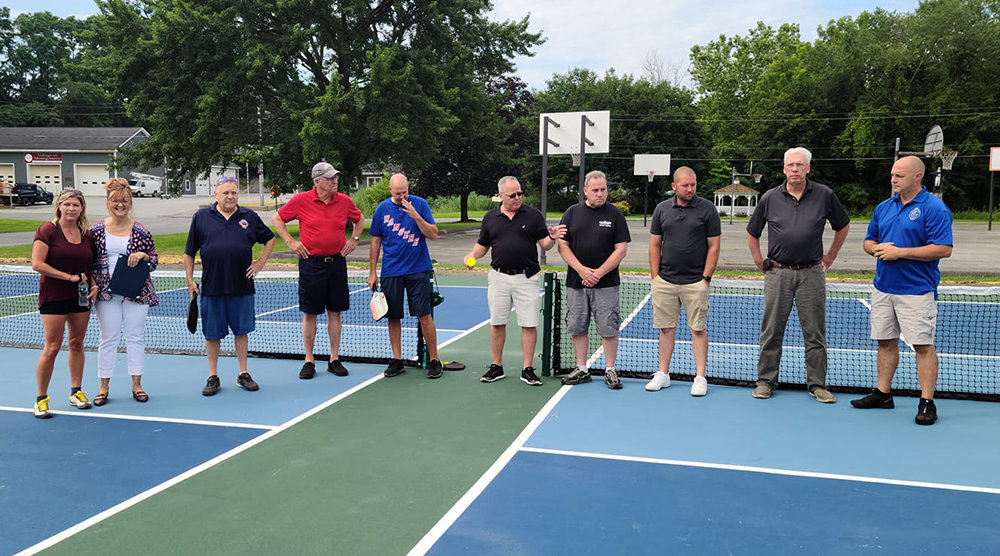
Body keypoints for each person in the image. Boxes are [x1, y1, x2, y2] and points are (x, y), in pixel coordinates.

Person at [852, 156, 953, 425]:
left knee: (922, 345)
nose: (893, 179)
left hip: (917, 290)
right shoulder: (884, 207)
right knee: (885, 342)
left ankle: (927, 402)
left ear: (917, 176)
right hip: (883, 288)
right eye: (892, 175)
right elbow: (868, 240)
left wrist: (900, 253)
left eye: (899, 175)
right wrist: (875, 249)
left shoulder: (934, 208)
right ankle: (883, 394)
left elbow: (943, 248)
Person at [746, 147, 850, 402]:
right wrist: (759, 259)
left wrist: (830, 256)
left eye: (799, 165)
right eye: (790, 165)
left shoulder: (825, 195)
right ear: (784, 169)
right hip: (777, 274)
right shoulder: (770, 197)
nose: (795, 169)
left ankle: (817, 385)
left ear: (808, 169)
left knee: (814, 333)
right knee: (771, 331)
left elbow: (843, 225)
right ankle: (765, 381)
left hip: (811, 274)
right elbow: (753, 231)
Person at [463, 176, 566, 385]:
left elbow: (545, 245)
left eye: (520, 193)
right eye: (513, 195)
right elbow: (482, 245)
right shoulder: (490, 218)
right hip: (498, 277)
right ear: (500, 196)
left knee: (528, 324)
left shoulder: (533, 215)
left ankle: (527, 369)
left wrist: (553, 236)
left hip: (526, 277)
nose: (518, 197)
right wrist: (471, 256)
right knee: (497, 322)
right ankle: (496, 366)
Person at [184, 176, 275, 396]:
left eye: (233, 193)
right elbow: (189, 252)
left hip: (242, 286)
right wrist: (189, 279)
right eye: (225, 193)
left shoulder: (249, 217)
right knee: (212, 334)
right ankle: (212, 376)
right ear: (216, 194)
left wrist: (260, 263)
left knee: (241, 332)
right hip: (212, 287)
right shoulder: (201, 217)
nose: (230, 196)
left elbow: (270, 239)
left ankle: (243, 373)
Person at [273, 162, 364, 379]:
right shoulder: (301, 200)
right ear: (317, 182)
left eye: (335, 178)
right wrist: (290, 242)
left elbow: (359, 220)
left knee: (335, 312)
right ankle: (309, 360)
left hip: (337, 263)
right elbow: (277, 218)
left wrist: (354, 239)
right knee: (310, 313)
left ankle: (334, 358)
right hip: (310, 264)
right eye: (330, 178)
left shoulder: (344, 201)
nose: (335, 181)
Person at [646, 167, 721, 396]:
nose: (690, 189)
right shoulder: (661, 210)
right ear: (674, 186)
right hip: (665, 282)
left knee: (697, 329)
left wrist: (705, 279)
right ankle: (663, 374)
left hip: (695, 283)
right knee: (666, 329)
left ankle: (699, 377)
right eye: (686, 185)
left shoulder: (707, 209)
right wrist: (655, 277)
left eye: (693, 184)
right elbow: (654, 244)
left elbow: (714, 246)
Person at [557, 170, 631, 389]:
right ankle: (582, 369)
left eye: (603, 189)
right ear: (585, 191)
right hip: (576, 283)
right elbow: (563, 245)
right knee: (578, 326)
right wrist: (582, 271)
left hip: (607, 284)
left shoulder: (616, 215)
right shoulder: (571, 213)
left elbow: (621, 250)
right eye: (596, 190)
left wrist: (598, 273)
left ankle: (610, 370)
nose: (600, 194)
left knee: (608, 327)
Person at [30, 189, 98, 418]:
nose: (71, 209)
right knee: (52, 347)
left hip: (80, 297)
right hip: (54, 295)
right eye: (67, 204)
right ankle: (41, 399)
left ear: (82, 208)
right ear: (59, 206)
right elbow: (37, 264)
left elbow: (91, 267)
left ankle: (76, 392)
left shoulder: (87, 234)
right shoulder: (47, 230)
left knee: (77, 343)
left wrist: (94, 284)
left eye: (76, 205)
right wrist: (68, 277)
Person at [91, 178, 158, 405]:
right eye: (115, 201)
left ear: (130, 203)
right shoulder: (95, 230)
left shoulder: (141, 231)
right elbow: (86, 260)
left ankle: (137, 385)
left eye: (125, 201)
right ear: (108, 202)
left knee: (135, 337)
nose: (120, 205)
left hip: (136, 293)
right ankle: (103, 387)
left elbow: (154, 259)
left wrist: (144, 256)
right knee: (107, 338)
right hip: (105, 293)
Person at [368, 174, 443, 378]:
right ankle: (397, 359)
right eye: (398, 193)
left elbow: (433, 233)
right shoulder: (382, 209)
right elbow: (375, 241)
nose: (402, 196)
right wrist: (372, 271)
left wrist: (416, 216)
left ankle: (434, 360)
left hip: (418, 269)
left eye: (405, 192)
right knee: (393, 316)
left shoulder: (419, 204)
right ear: (390, 191)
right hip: (392, 270)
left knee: (424, 315)